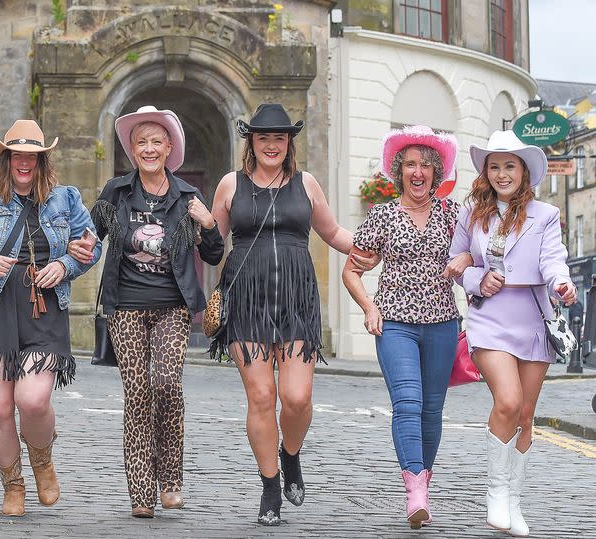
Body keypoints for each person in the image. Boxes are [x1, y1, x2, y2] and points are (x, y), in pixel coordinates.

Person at [209, 104, 373, 526]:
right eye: (263, 137)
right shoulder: (231, 185)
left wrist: (379, 243)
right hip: (246, 302)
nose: (271, 144)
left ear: (288, 143)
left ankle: (290, 454)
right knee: (261, 397)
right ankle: (269, 486)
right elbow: (212, 244)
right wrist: (195, 224)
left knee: (296, 398)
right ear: (252, 142)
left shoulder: (307, 184)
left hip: (297, 301)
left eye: (278, 138)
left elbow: (334, 233)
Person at [0, 119, 101, 517]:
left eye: (32, 156)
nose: (24, 163)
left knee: (33, 398)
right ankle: (13, 484)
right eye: (17, 156)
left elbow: (90, 246)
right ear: (6, 159)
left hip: (42, 307)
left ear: (42, 160)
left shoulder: (66, 199)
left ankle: (42, 460)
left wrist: (64, 265)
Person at [69, 105, 224, 518]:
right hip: (125, 307)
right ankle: (141, 491)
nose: (149, 149)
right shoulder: (115, 193)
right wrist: (79, 246)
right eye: (142, 142)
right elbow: (90, 236)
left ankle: (170, 480)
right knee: (138, 394)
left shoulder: (187, 197)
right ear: (132, 150)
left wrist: (209, 223)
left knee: (168, 384)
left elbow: (213, 254)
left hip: (173, 307)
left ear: (170, 148)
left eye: (157, 141)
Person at [342, 125, 473, 529]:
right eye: (410, 165)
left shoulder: (453, 216)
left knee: (432, 411)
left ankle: (424, 484)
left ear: (436, 172)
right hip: (395, 324)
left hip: (442, 324)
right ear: (399, 172)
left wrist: (465, 260)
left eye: (425, 165)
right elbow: (351, 271)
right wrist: (368, 307)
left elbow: (477, 252)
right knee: (409, 403)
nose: (418, 172)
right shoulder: (382, 215)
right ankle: (414, 492)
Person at [448, 130, 576, 537]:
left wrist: (563, 283)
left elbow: (554, 259)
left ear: (524, 171)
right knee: (508, 401)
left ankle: (514, 502)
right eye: (495, 166)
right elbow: (454, 262)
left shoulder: (546, 215)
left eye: (510, 166)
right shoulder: (470, 214)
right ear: (486, 172)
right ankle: (495, 495)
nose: (502, 174)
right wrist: (476, 279)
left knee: (525, 415)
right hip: (490, 319)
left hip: (533, 320)